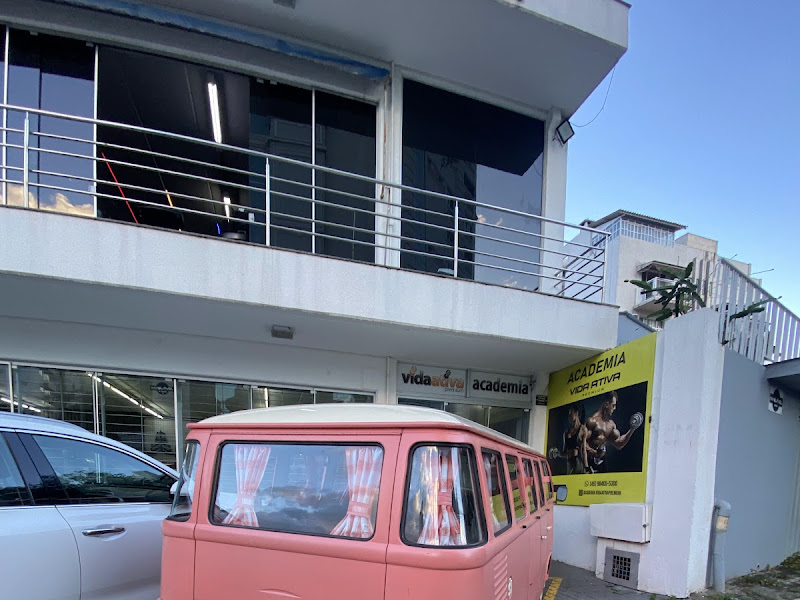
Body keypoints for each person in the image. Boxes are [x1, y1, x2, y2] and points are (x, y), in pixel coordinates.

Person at [582, 391, 643, 474]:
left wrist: (632, 429)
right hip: (590, 465)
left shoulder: (611, 425)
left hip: (602, 466)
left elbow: (619, 444)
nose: (614, 408)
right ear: (607, 404)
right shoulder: (592, 421)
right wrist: (593, 454)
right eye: (613, 405)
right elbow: (582, 444)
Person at [549, 403, 587, 475]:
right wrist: (556, 453)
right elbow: (565, 452)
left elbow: (584, 451)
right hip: (569, 463)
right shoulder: (566, 432)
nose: (569, 417)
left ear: (576, 413)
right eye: (568, 415)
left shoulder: (582, 429)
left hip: (577, 462)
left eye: (570, 414)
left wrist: (586, 467)